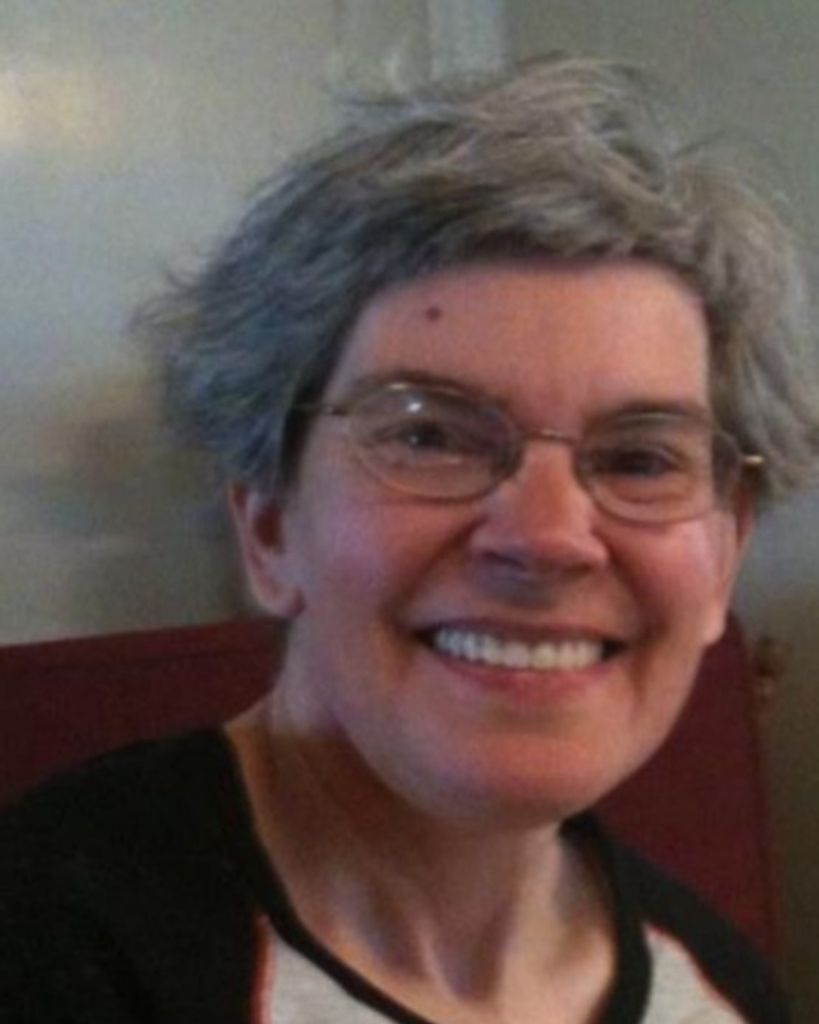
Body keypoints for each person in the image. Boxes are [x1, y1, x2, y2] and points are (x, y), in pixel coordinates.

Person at [3, 55, 818, 1023]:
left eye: (641, 459)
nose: (548, 537)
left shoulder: (730, 996)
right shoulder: (46, 942)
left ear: (724, 552)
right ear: (268, 522)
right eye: (430, 436)